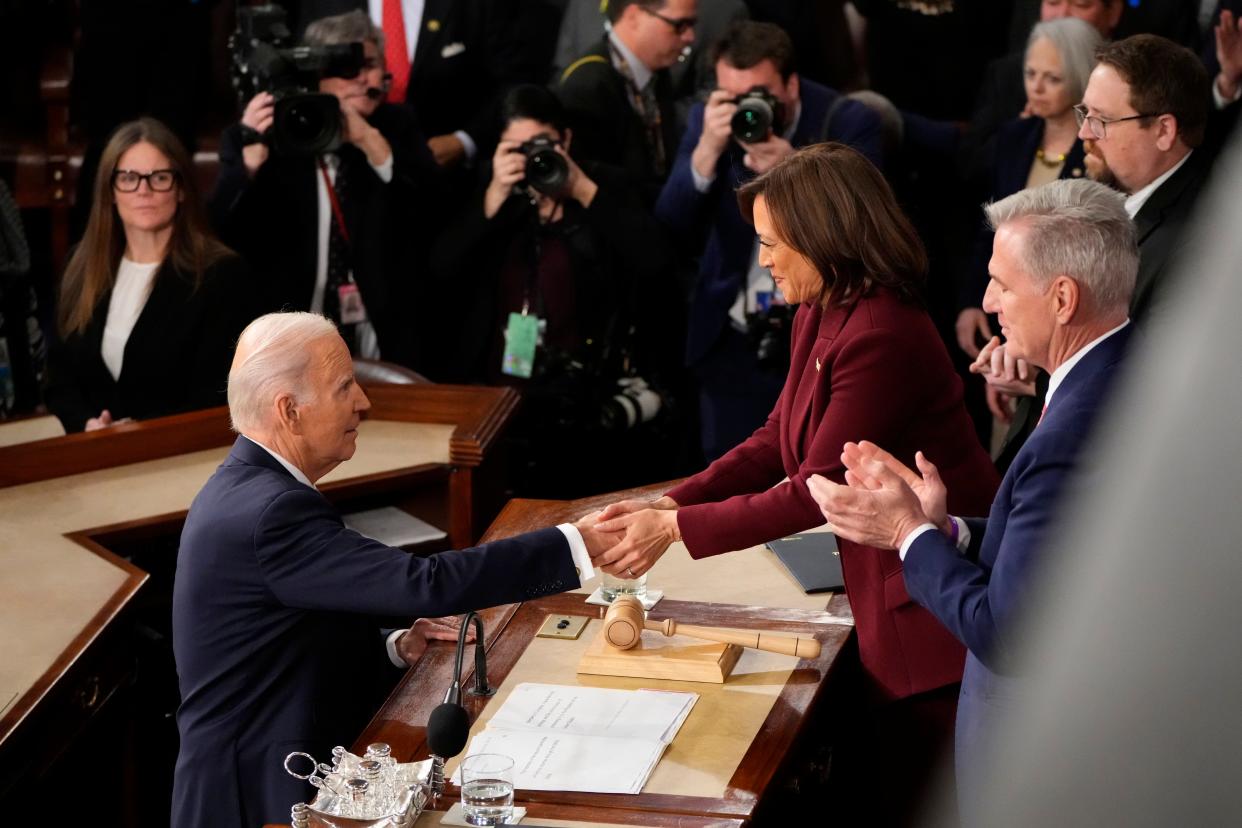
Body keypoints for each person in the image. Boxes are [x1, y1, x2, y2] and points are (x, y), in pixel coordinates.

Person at [595, 143, 1000, 823]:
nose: (763, 260)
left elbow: (809, 485)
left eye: (771, 243)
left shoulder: (881, 332)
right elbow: (776, 433)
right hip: (882, 588)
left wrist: (673, 530)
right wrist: (674, 500)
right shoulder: (823, 308)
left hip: (933, 617)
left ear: (823, 239)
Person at [171, 311, 617, 828]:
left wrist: (395, 645)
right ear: (289, 410)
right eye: (344, 387)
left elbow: (290, 631)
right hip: (251, 794)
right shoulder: (271, 512)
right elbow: (427, 584)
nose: (363, 401)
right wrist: (577, 543)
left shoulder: (250, 485)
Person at [807, 178, 1138, 819]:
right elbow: (1059, 554)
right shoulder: (1121, 370)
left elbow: (1008, 633)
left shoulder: (1071, 431)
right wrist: (947, 531)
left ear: (1063, 299)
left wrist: (907, 535)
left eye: (1002, 284)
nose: (987, 301)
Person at [428, 84, 678, 495]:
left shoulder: (601, 184)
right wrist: (492, 198)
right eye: (515, 147)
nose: (530, 157)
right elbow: (442, 269)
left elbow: (654, 261)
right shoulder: (488, 190)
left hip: (588, 396)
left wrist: (580, 188)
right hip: (500, 395)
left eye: (540, 144)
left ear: (565, 140)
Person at [655, 20, 884, 461]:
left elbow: (867, 228)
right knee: (728, 474)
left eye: (760, 93)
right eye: (735, 96)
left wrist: (798, 172)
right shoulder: (709, 120)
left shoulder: (846, 119)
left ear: (791, 84)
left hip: (822, 333)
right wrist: (705, 151)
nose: (749, 107)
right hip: (730, 336)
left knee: (812, 478)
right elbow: (671, 222)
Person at [990, 34, 1216, 469]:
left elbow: (1149, 388)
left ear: (1164, 130)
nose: (1084, 134)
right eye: (1084, 114)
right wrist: (1024, 350)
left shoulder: (1201, 241)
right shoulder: (1116, 202)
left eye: (1101, 121)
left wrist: (1040, 372)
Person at [211, 10, 441, 369]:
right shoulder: (271, 133)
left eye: (372, 65)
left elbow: (430, 211)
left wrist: (369, 140)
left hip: (385, 331)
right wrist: (248, 164)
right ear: (316, 75)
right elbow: (222, 231)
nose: (364, 78)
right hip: (291, 332)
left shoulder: (396, 126)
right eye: (347, 68)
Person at [45, 118, 260, 433]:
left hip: (181, 458)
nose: (143, 190)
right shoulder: (81, 268)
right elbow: (59, 382)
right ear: (111, 191)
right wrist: (89, 425)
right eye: (129, 178)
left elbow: (221, 392)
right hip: (93, 456)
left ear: (182, 189)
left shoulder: (222, 275)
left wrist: (141, 432)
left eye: (159, 177)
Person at [955, 17, 1102, 436]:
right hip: (1010, 317)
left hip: (1064, 323)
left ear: (1079, 79)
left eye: (1052, 78)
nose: (1035, 87)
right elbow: (989, 228)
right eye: (1031, 74)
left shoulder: (1096, 151)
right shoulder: (1015, 136)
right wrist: (970, 301)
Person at [557, 0, 697, 201]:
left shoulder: (658, 71)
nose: (690, 36)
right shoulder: (587, 87)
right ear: (634, 16)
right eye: (679, 25)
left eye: (692, 24)